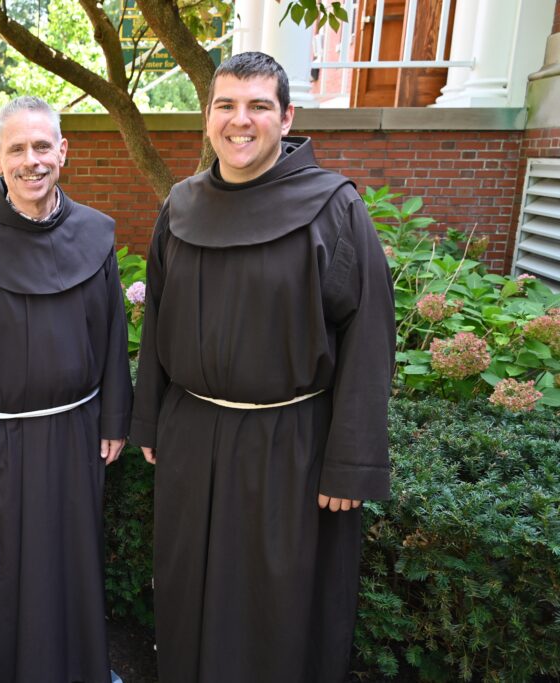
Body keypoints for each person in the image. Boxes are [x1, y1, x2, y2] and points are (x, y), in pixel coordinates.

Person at [131, 52, 395, 682]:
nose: (239, 121)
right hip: (194, 436)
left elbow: (368, 339)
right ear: (208, 116)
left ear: (287, 117)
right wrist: (151, 422)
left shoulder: (333, 207)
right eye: (225, 105)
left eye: (258, 106)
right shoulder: (181, 205)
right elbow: (159, 315)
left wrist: (351, 463)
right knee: (186, 588)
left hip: (291, 446)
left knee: (275, 607)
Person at [0, 96, 132, 683]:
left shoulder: (95, 235)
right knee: (4, 571)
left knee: (72, 564)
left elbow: (114, 331)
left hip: (75, 434)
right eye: (16, 149)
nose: (31, 161)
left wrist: (115, 417)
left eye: (42, 146)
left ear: (62, 152)